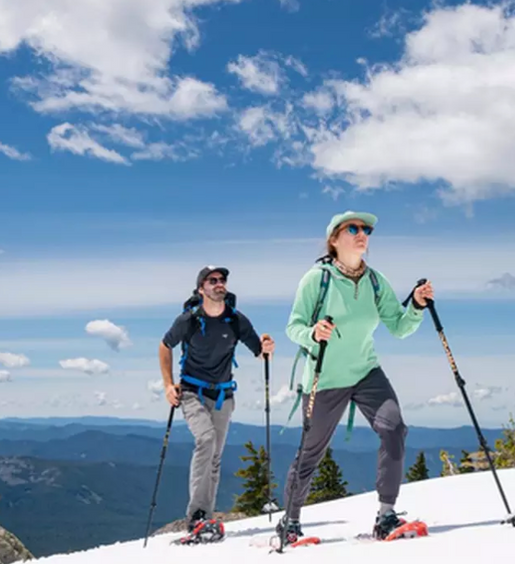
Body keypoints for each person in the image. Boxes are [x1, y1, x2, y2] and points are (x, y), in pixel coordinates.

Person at [278, 211, 434, 542]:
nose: (362, 233)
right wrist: (313, 333)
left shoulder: (376, 281)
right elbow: (294, 326)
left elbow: (399, 326)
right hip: (326, 378)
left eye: (367, 229)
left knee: (394, 429)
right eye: (354, 228)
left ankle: (386, 516)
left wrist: (417, 306)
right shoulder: (316, 279)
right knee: (310, 452)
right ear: (334, 239)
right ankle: (289, 522)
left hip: (366, 372)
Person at [159, 265, 275, 532]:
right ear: (201, 289)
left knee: (215, 457)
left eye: (222, 280)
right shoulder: (188, 320)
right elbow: (165, 346)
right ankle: (196, 515)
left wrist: (267, 348)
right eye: (212, 280)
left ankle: (205, 517)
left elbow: (259, 351)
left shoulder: (236, 320)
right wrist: (167, 385)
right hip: (191, 392)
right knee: (206, 440)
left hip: (224, 394)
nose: (219, 283)